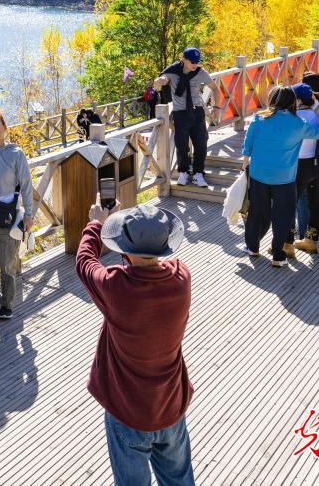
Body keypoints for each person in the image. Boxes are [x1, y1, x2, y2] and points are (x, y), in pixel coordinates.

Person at [76, 200, 195, 486]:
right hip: (170, 406)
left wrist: (97, 224)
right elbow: (148, 270)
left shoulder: (116, 288)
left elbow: (84, 262)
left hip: (127, 411)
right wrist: (138, 234)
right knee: (179, 480)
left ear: (125, 251)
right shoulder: (181, 278)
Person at [242, 86, 319, 267]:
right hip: (285, 177)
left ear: (272, 99)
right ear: (292, 101)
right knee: (283, 216)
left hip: (259, 174)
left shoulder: (258, 119)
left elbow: (247, 145)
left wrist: (245, 162)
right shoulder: (297, 124)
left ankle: (252, 247)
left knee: (257, 212)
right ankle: (278, 255)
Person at [0, 111, 34, 320]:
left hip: (10, 215)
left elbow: (27, 185)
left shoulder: (15, 153)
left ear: (4, 127)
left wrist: (28, 213)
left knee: (7, 262)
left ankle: (7, 304)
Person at [154, 47, 217, 188]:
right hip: (180, 113)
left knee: (201, 143)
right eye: (192, 61)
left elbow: (214, 87)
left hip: (197, 111)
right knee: (181, 144)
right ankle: (183, 171)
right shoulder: (173, 70)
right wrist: (160, 80)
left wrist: (216, 107)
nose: (195, 64)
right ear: (184, 59)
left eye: (197, 61)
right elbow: (163, 78)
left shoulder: (200, 72)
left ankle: (198, 173)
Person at [293, 75, 319, 252]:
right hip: (317, 164)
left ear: (298, 100)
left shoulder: (294, 117)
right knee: (316, 203)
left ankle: (287, 241)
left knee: (290, 203)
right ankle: (311, 239)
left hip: (298, 165)